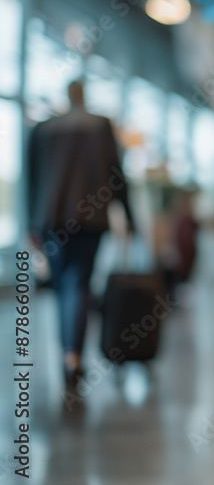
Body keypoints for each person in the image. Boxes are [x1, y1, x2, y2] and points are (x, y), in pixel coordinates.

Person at [27, 80, 133, 390]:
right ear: (83, 97)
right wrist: (129, 217)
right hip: (89, 220)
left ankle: (68, 354)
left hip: (52, 221)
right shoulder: (100, 127)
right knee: (78, 284)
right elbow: (116, 175)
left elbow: (32, 179)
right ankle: (72, 357)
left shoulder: (43, 129)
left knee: (63, 286)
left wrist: (31, 224)